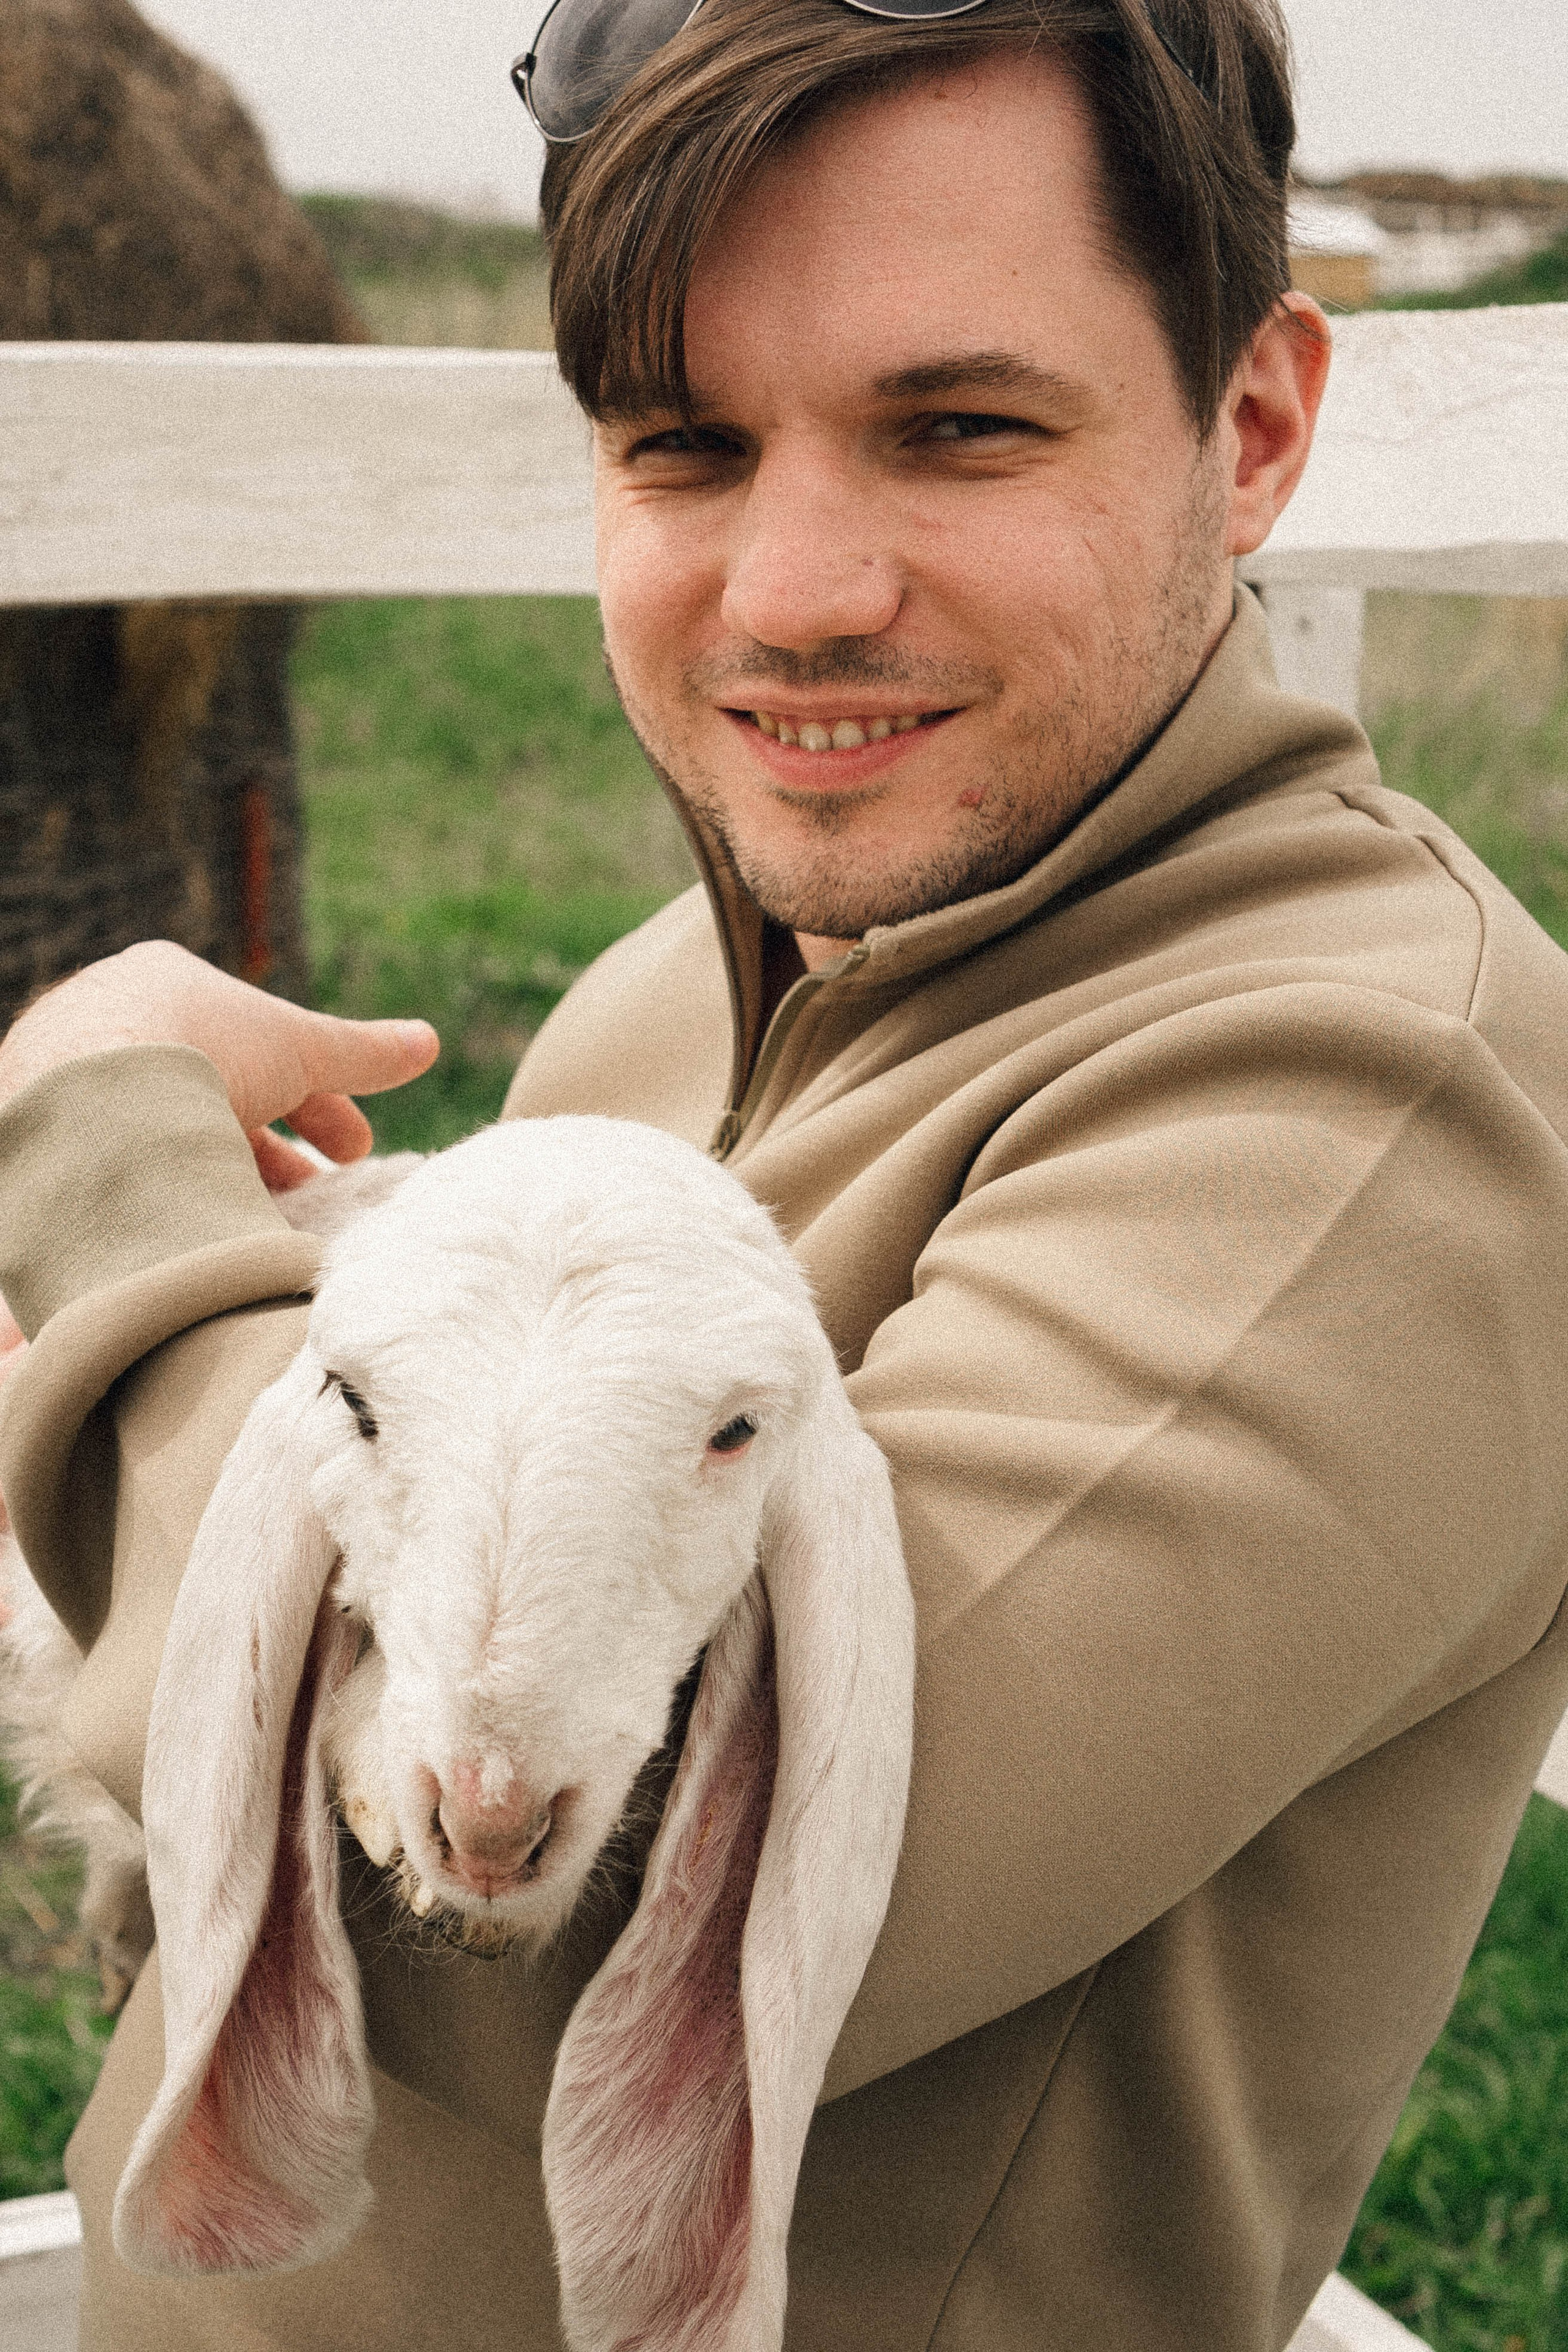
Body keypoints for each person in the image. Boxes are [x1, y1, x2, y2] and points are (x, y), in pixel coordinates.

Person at [3, 0, 1567, 2345]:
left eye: (959, 429)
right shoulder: (709, 966)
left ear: (1251, 429)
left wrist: (113, 1173)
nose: (796, 589)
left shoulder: (1377, 1096)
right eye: (686, 444)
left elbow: (531, 1939)